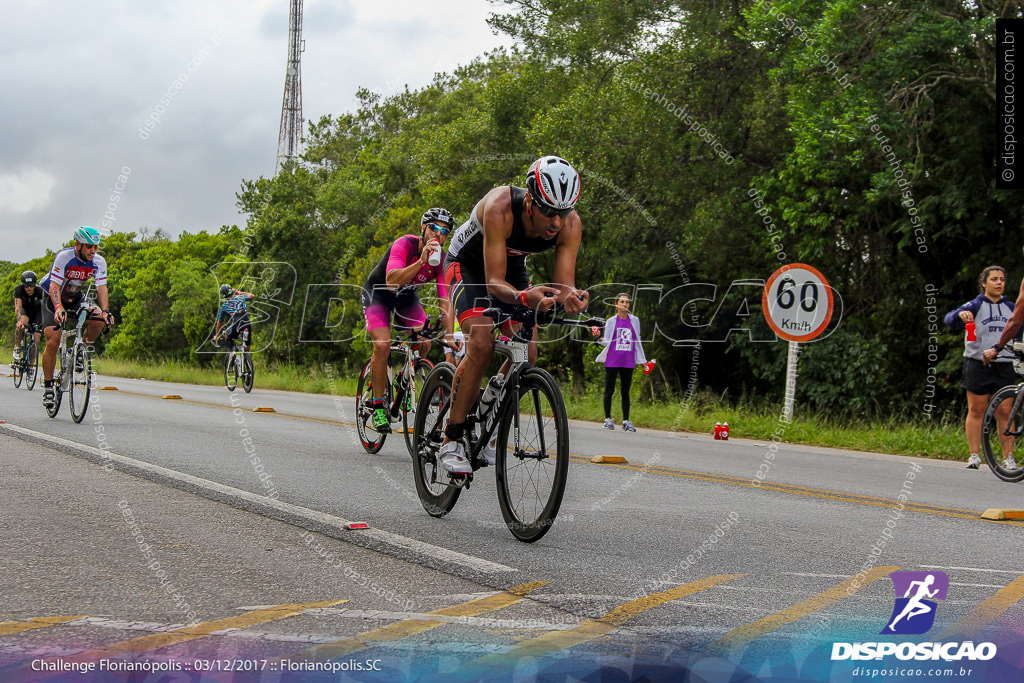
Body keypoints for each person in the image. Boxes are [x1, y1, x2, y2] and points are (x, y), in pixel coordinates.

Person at [438, 155, 589, 474]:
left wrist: (570, 298)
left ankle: (492, 397)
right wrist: (524, 297)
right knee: (481, 344)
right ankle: (451, 438)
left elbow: (564, 284)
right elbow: (493, 282)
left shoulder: (569, 224)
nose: (555, 223)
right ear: (531, 201)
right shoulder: (500, 207)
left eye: (562, 213)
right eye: (549, 212)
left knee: (528, 354)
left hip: (513, 268)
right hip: (469, 266)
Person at [362, 208, 460, 433]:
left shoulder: (441, 260)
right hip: (379, 294)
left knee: (424, 341)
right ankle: (377, 406)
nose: (439, 234)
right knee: (382, 345)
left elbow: (445, 301)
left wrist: (449, 334)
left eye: (445, 231)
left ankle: (403, 382)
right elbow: (391, 279)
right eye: (434, 227)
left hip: (406, 298)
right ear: (423, 228)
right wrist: (421, 262)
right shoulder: (404, 244)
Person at [945, 265, 1016, 469]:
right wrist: (961, 316)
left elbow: (1018, 329)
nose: (999, 283)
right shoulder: (975, 304)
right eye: (994, 279)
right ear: (984, 283)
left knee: (1005, 412)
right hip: (977, 363)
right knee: (977, 409)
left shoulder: (1011, 307)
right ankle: (974, 455)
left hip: (1003, 363)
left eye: (1002, 279)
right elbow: (949, 320)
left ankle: (1008, 457)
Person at [39, 226, 113, 408]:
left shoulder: (98, 261)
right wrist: (58, 308)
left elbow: (101, 287)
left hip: (76, 297)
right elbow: (54, 286)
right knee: (52, 340)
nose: (93, 251)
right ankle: (49, 388)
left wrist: (105, 311)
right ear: (78, 244)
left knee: (98, 320)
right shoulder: (65, 257)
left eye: (95, 247)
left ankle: (78, 351)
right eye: (89, 246)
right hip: (53, 296)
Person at [596, 292, 647, 432]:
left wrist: (643, 361)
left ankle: (626, 421)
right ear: (616, 304)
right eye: (622, 302)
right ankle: (608, 419)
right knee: (609, 390)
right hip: (612, 360)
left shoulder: (634, 320)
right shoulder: (611, 321)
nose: (625, 304)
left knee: (625, 392)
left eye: (627, 302)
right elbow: (606, 340)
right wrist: (598, 338)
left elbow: (637, 340)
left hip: (628, 361)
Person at [13, 270, 43, 364]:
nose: (29, 288)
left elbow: (45, 308)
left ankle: (30, 366)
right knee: (23, 322)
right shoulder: (19, 289)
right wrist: (19, 320)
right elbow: (18, 307)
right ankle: (17, 346)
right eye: (26, 286)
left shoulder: (40, 291)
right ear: (23, 285)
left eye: (31, 285)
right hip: (24, 311)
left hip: (36, 313)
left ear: (35, 284)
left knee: (37, 338)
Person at [214, 284, 256, 352]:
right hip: (247, 326)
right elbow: (252, 296)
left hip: (236, 327)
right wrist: (238, 292)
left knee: (227, 336)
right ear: (232, 290)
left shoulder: (224, 307)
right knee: (247, 347)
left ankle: (232, 352)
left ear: (222, 295)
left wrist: (217, 335)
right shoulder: (241, 297)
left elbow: (220, 323)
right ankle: (246, 358)